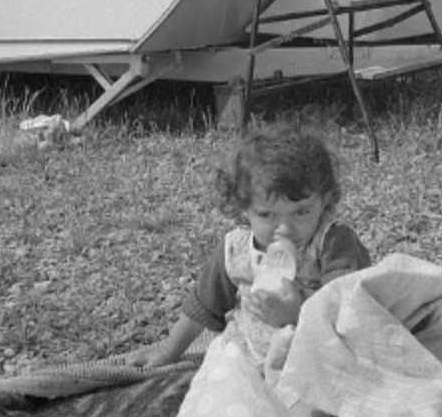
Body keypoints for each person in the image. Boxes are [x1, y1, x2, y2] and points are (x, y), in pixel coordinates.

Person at [123, 124, 371, 369]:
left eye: (301, 212)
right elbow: (201, 308)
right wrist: (168, 351)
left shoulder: (332, 242)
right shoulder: (235, 250)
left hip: (317, 362)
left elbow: (352, 313)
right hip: (248, 360)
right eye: (266, 215)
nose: (284, 228)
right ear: (243, 207)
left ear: (325, 200)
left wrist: (296, 315)